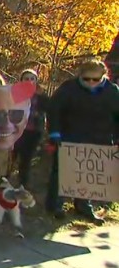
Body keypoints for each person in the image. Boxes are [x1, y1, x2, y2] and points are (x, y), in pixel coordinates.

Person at [45, 59, 119, 223]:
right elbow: (54, 110)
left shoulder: (112, 92)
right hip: (70, 136)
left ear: (103, 77)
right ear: (80, 76)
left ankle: (84, 205)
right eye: (87, 79)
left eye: (95, 79)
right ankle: (56, 204)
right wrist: (54, 132)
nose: (91, 83)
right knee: (62, 172)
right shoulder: (68, 89)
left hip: (100, 138)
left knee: (89, 174)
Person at [13, 69, 48, 187]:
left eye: (32, 79)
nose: (29, 81)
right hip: (16, 131)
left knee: (26, 159)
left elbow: (48, 110)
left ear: (36, 81)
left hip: (33, 131)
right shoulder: (15, 93)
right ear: (21, 80)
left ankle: (23, 184)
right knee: (12, 157)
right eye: (26, 79)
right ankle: (4, 183)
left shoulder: (41, 95)